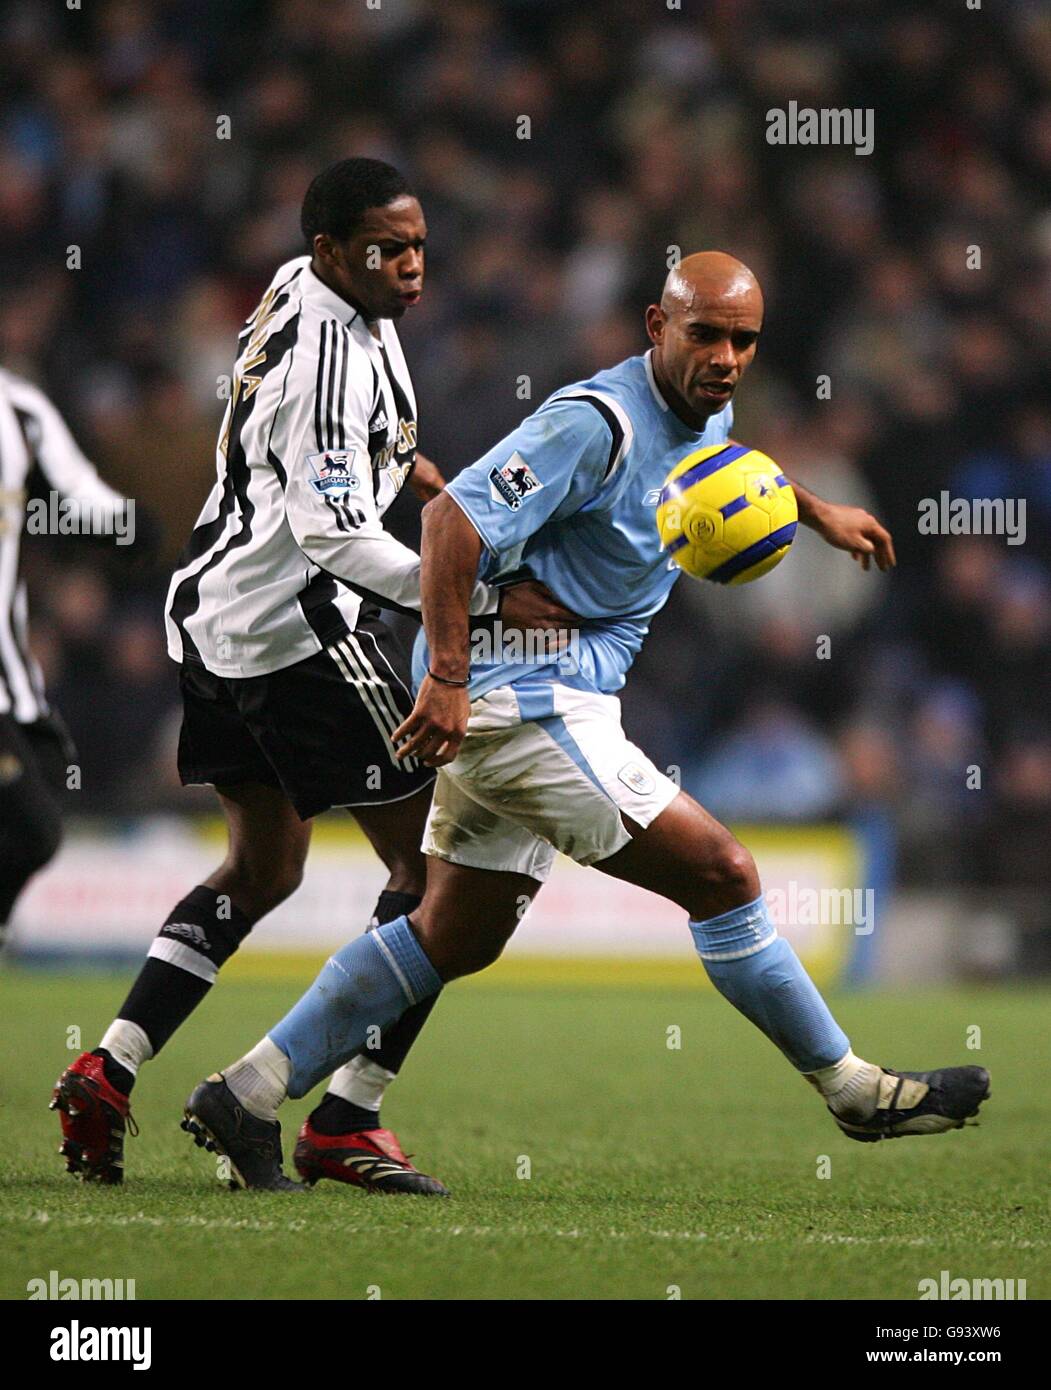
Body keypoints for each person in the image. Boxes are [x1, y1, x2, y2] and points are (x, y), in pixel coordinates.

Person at [182, 251, 989, 1191]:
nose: (726, 357)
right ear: (656, 326)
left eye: (742, 340)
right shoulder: (591, 423)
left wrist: (814, 509)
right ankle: (853, 1091)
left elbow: (717, 463)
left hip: (551, 695)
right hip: (518, 697)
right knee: (723, 875)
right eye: (705, 335)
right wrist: (444, 675)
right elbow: (450, 525)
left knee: (456, 933)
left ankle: (248, 1091)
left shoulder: (703, 404)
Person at [51, 157, 572, 1193]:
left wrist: (400, 463)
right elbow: (333, 538)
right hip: (299, 640)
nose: (415, 266)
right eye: (392, 249)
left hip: (210, 621)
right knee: (437, 878)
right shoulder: (327, 359)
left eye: (421, 243)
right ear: (335, 251)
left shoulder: (302, 282)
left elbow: (311, 454)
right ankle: (345, 1116)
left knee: (262, 870)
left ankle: (108, 1065)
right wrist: (470, 595)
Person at [0, 367, 136, 951]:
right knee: (35, 829)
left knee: (45, 802)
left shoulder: (21, 416)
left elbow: (85, 509)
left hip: (19, 687)